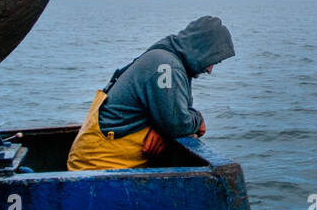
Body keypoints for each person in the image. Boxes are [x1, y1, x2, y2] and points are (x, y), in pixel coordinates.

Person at [67, 16, 235, 171]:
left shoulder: (165, 58)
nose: (209, 70)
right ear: (201, 49)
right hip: (97, 166)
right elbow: (177, 124)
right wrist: (197, 119)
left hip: (105, 160)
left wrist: (163, 128)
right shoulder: (167, 67)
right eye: (212, 61)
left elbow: (174, 116)